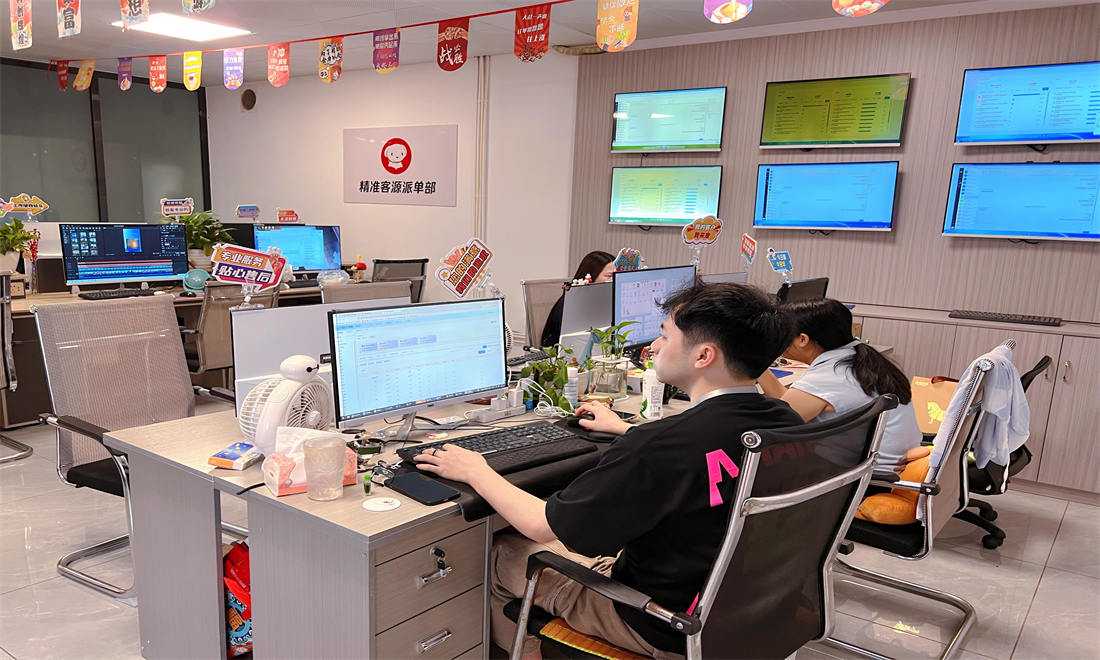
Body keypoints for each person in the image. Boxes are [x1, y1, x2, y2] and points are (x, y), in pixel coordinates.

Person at [415, 283, 802, 658]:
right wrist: (627, 429)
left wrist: (475, 469)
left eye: (665, 336)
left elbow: (541, 524)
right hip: (752, 610)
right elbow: (703, 453)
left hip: (662, 622)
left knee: (503, 553)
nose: (654, 347)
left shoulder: (658, 446)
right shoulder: (784, 419)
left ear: (703, 356)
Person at [757, 298, 920, 471]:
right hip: (884, 465)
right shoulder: (858, 359)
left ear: (802, 339)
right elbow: (789, 404)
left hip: (863, 475)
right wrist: (755, 363)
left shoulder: (828, 377)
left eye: (782, 334)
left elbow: (775, 425)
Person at [539, 250, 615, 348]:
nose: (614, 279)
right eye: (609, 276)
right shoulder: (572, 303)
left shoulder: (607, 301)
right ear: (592, 275)